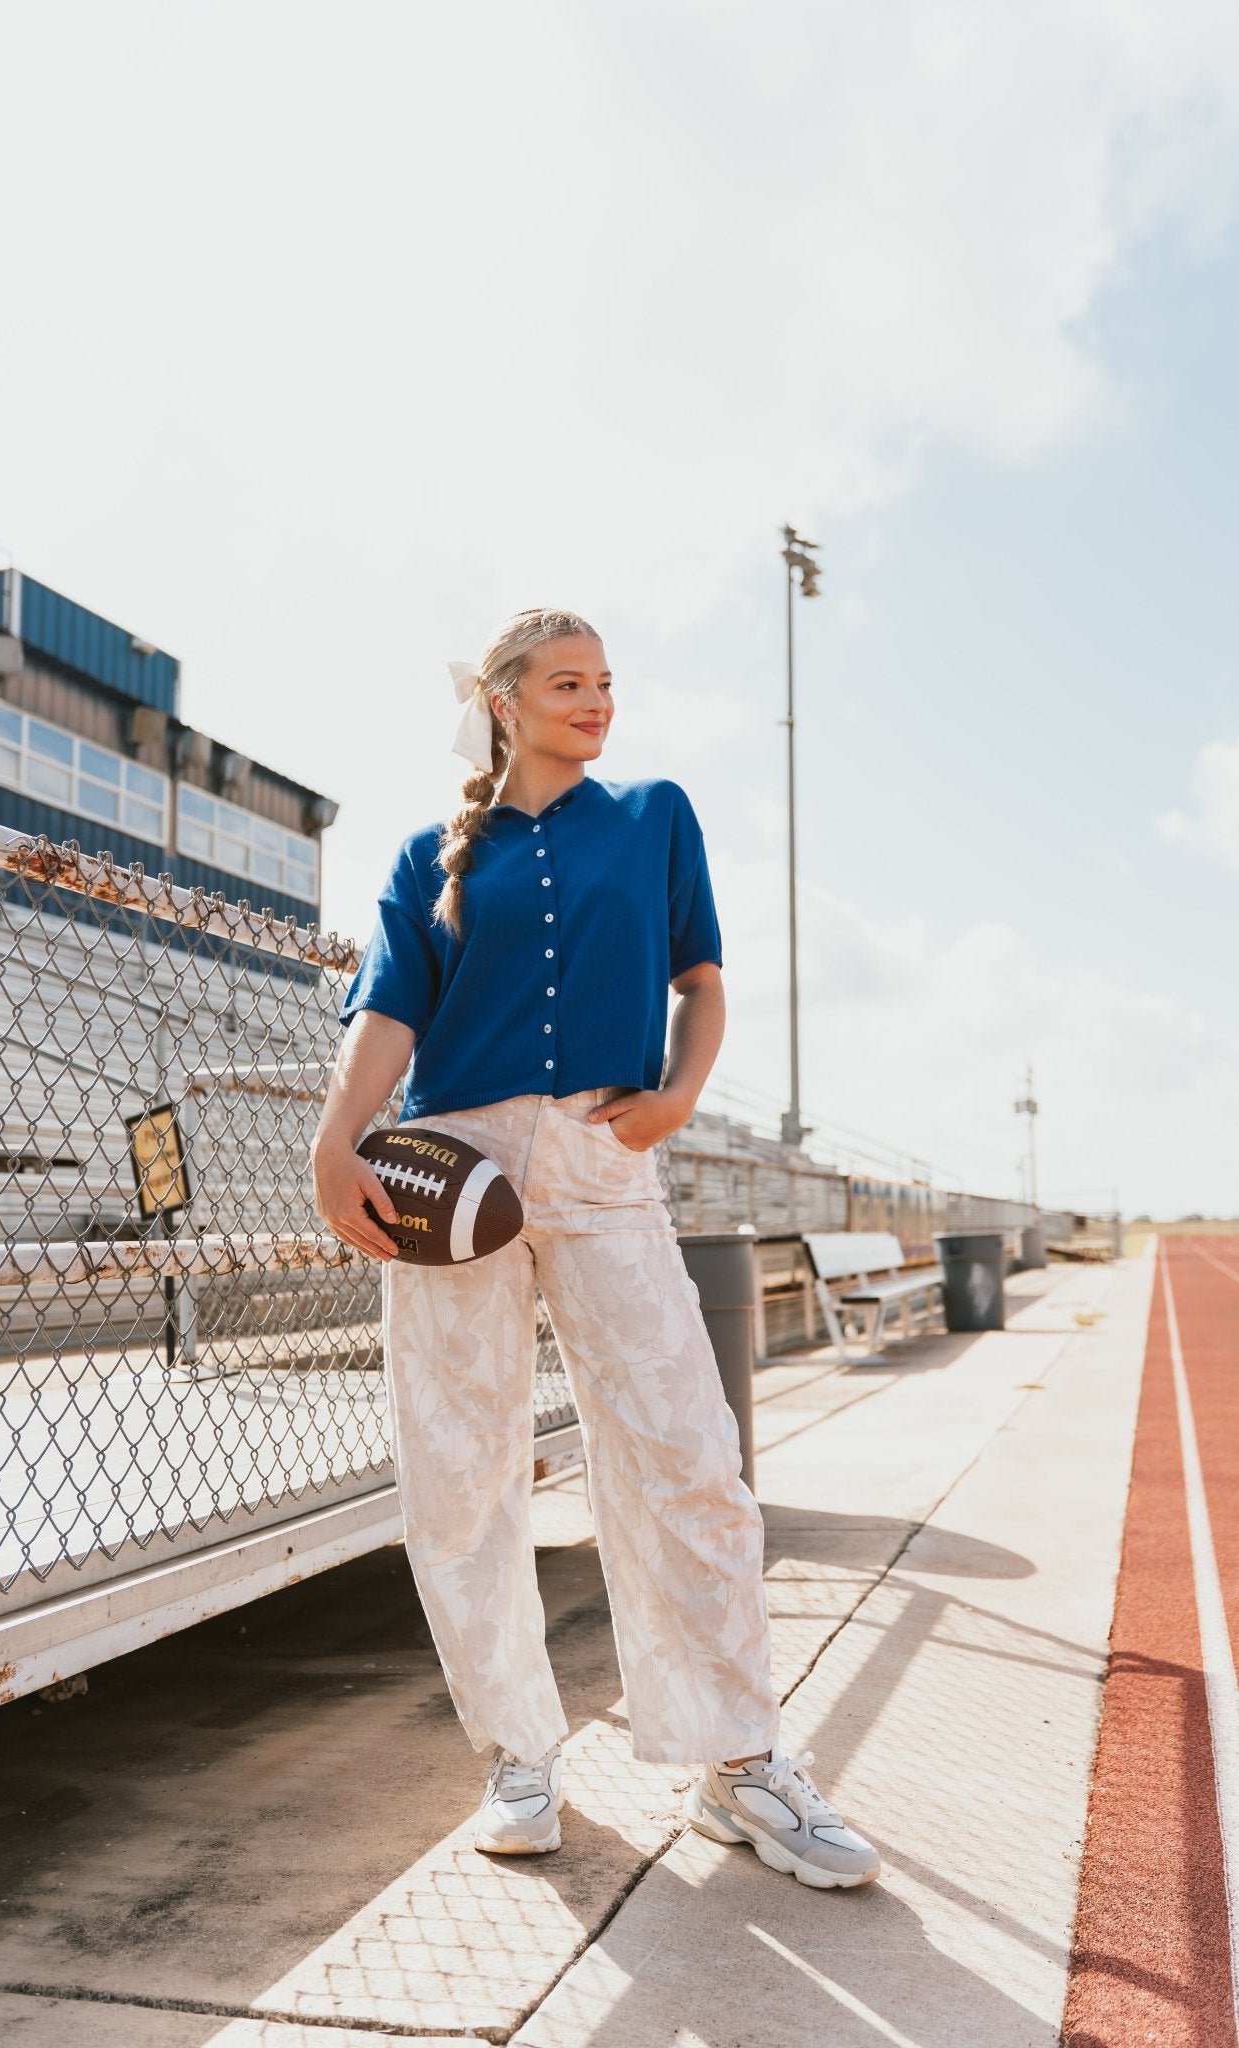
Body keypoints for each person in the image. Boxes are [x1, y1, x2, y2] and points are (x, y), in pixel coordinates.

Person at [310, 608, 879, 1890]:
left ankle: (739, 1761)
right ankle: (517, 1754)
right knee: (460, 1468)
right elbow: (389, 1012)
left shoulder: (653, 812)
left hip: (606, 1151)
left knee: (686, 1449)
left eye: (608, 682)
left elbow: (704, 980)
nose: (599, 700)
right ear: (504, 700)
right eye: (569, 682)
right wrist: (335, 1141)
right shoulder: (427, 855)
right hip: (451, 1165)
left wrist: (679, 1094)